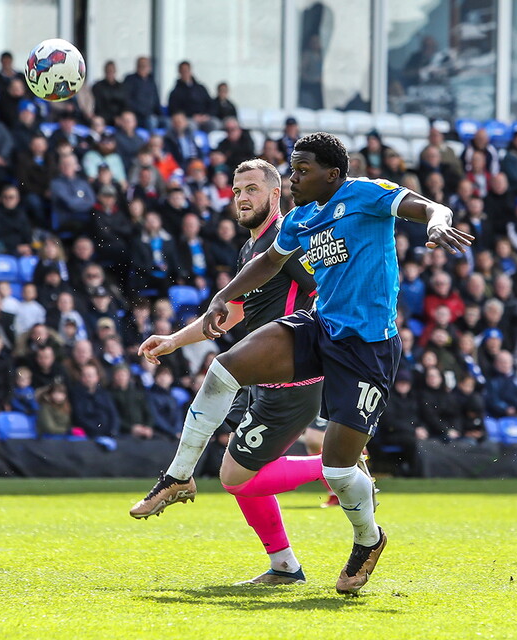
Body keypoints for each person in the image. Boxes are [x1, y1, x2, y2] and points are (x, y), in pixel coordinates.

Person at [131, 133, 472, 596]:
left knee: (336, 469)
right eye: (291, 170)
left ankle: (368, 540)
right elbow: (269, 263)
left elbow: (431, 208)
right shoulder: (299, 219)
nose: (294, 179)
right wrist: (221, 296)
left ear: (333, 174)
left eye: (302, 170)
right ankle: (177, 476)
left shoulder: (366, 194)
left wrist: (435, 224)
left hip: (367, 349)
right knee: (226, 367)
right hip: (320, 328)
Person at [132, 158, 327, 584]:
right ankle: (284, 567)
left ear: (276, 194)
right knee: (240, 471)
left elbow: (326, 292)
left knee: (235, 476)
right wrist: (172, 342)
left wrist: (315, 347)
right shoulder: (252, 249)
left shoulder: (287, 239)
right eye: (237, 191)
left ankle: (334, 465)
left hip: (292, 378)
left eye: (252, 189)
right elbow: (232, 313)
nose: (241, 198)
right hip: (265, 379)